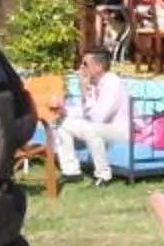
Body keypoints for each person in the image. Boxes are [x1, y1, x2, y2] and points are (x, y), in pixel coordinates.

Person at [55, 47, 133, 186]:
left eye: (85, 64)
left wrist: (85, 92)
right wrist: (64, 111)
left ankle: (103, 175)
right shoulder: (95, 82)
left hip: (119, 130)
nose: (81, 67)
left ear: (99, 66)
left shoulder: (112, 83)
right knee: (62, 123)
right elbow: (85, 112)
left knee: (92, 129)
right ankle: (71, 171)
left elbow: (99, 117)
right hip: (103, 127)